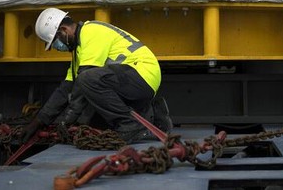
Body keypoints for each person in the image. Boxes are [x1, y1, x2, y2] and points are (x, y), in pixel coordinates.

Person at [22, 8, 172, 144]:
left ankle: (129, 126)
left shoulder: (91, 32)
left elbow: (82, 86)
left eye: (54, 42)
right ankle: (155, 115)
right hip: (134, 79)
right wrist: (38, 122)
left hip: (142, 73)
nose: (55, 48)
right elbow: (65, 90)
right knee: (94, 123)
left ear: (63, 30)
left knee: (86, 79)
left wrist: (66, 122)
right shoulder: (79, 52)